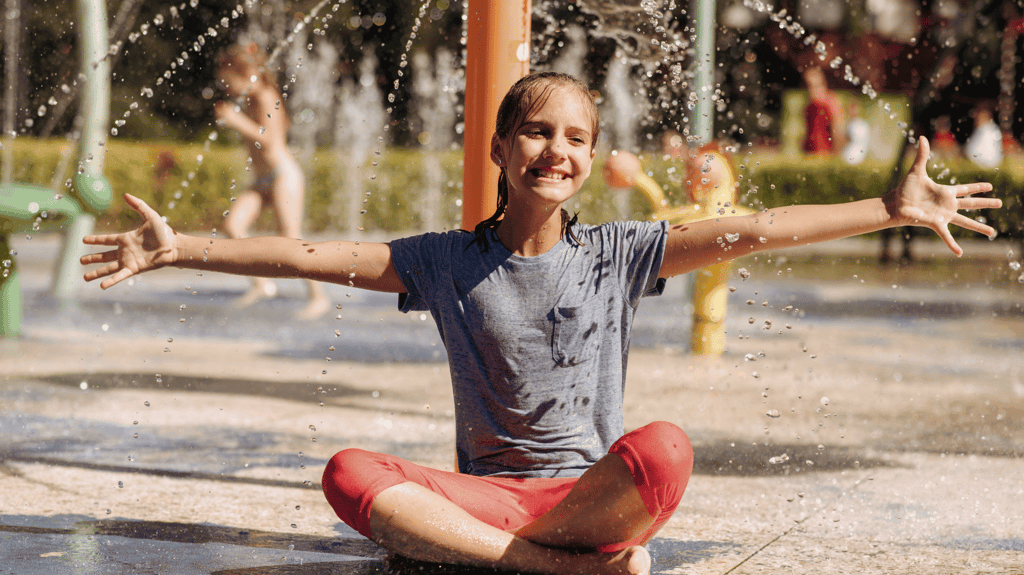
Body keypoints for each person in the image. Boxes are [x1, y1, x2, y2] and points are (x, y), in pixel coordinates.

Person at [81, 72, 1000, 575]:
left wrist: (886, 205)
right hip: (489, 504)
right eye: (535, 131)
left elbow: (748, 231)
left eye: (573, 137)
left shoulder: (616, 253)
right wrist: (179, 248)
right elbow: (308, 255)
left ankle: (542, 557)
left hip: (593, 497)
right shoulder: (444, 261)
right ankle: (560, 572)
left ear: (592, 158)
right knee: (348, 472)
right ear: (499, 147)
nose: (553, 149)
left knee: (667, 448)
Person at [214, 43, 330, 320]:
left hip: (283, 175)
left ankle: (319, 297)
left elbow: (270, 140)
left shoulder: (267, 96)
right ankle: (262, 284)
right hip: (263, 179)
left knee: (290, 237)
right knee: (232, 225)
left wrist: (235, 120)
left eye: (230, 82)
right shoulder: (252, 101)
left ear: (249, 73)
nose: (228, 89)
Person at [802, 66, 844, 155]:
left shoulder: (830, 102)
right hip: (811, 154)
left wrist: (836, 154)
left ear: (823, 84)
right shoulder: (810, 106)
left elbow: (838, 131)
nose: (811, 90)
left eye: (815, 86)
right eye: (808, 86)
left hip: (827, 154)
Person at [964, 105, 1002, 169]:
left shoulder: (987, 131)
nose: (976, 119)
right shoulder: (982, 129)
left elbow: (988, 153)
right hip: (982, 163)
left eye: (979, 117)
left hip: (986, 164)